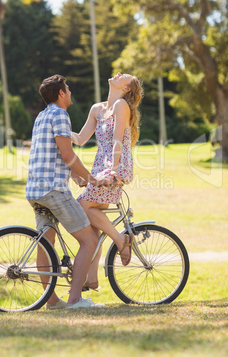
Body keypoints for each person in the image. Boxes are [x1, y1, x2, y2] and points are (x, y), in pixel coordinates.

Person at [26, 74, 112, 309]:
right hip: (53, 190)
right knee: (89, 241)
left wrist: (75, 175)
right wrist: (92, 179)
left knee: (46, 244)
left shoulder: (42, 117)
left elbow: (54, 154)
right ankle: (75, 300)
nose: (71, 91)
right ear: (61, 93)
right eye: (68, 88)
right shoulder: (61, 114)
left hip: (35, 190)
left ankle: (52, 301)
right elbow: (68, 154)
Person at [72, 72, 143, 291]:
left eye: (125, 76)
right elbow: (82, 139)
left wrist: (113, 169)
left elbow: (116, 139)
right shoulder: (97, 108)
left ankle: (121, 241)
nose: (118, 73)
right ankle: (91, 279)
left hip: (115, 164)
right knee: (93, 227)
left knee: (82, 206)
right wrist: (59, 131)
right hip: (99, 166)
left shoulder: (121, 105)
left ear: (126, 89)